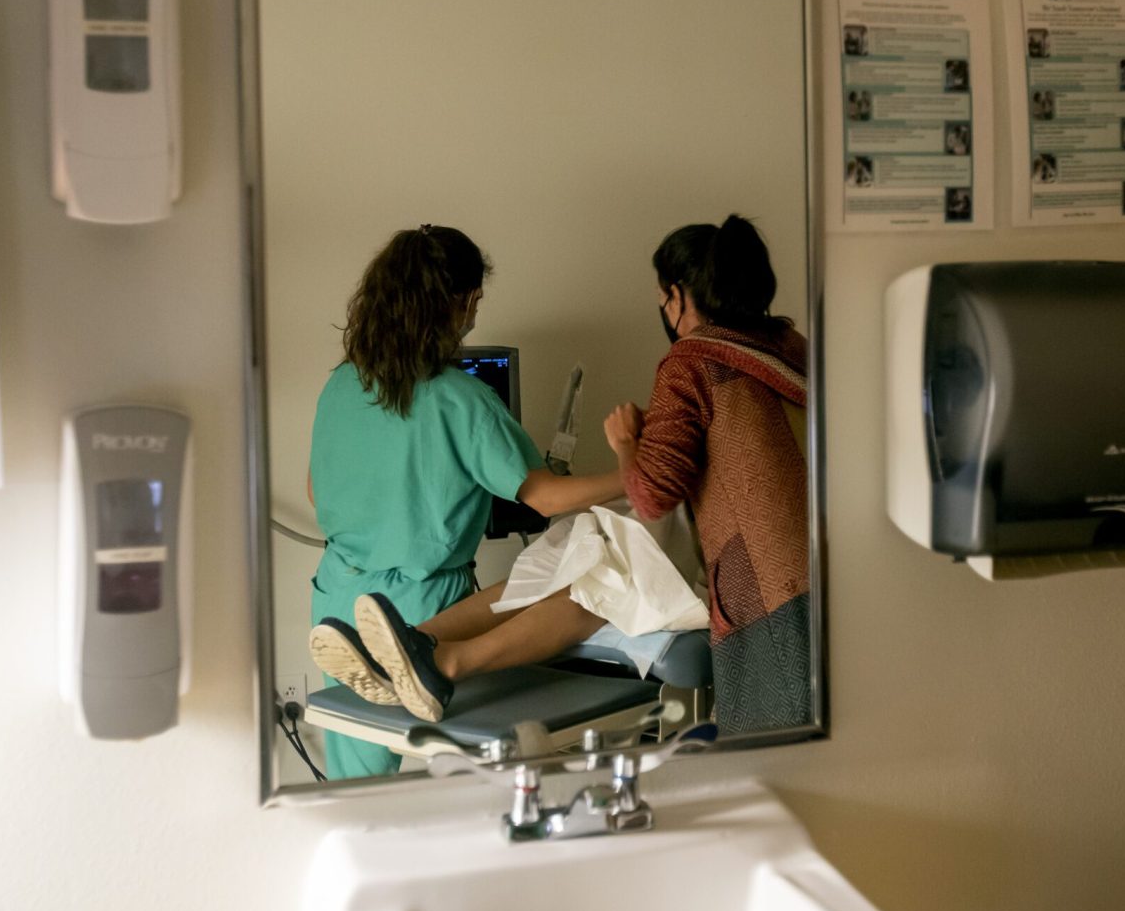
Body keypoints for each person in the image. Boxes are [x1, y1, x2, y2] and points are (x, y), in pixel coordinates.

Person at [303, 225, 624, 778]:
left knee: (357, 784)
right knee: (458, 776)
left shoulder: (340, 386)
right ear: (461, 303)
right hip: (426, 611)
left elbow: (316, 490)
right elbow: (546, 498)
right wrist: (631, 475)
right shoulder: (463, 401)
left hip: (337, 599)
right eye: (474, 303)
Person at [606, 215, 811, 734]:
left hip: (768, 592)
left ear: (675, 295)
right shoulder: (794, 347)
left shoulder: (690, 362)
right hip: (840, 574)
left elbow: (652, 496)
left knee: (774, 751)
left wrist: (626, 444)